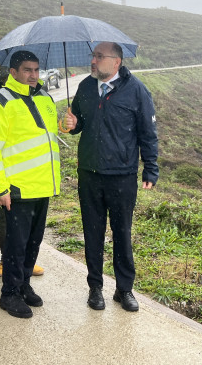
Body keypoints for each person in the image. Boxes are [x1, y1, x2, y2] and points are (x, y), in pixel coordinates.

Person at [63, 41, 159, 312]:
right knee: (92, 232)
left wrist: (150, 167)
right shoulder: (85, 87)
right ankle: (95, 287)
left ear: (116, 62)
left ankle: (124, 289)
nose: (93, 61)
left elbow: (147, 134)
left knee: (122, 233)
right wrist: (72, 125)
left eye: (99, 56)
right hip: (90, 174)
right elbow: (78, 122)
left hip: (122, 176)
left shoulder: (137, 91)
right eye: (93, 56)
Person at [0, 51, 60, 318]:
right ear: (13, 72)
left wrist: (66, 125)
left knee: (33, 243)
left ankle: (23, 284)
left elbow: (46, 138)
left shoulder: (45, 98)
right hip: (16, 189)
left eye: (36, 70)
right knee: (15, 245)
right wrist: (0, 187)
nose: (33, 75)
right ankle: (9, 294)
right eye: (27, 70)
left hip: (43, 186)